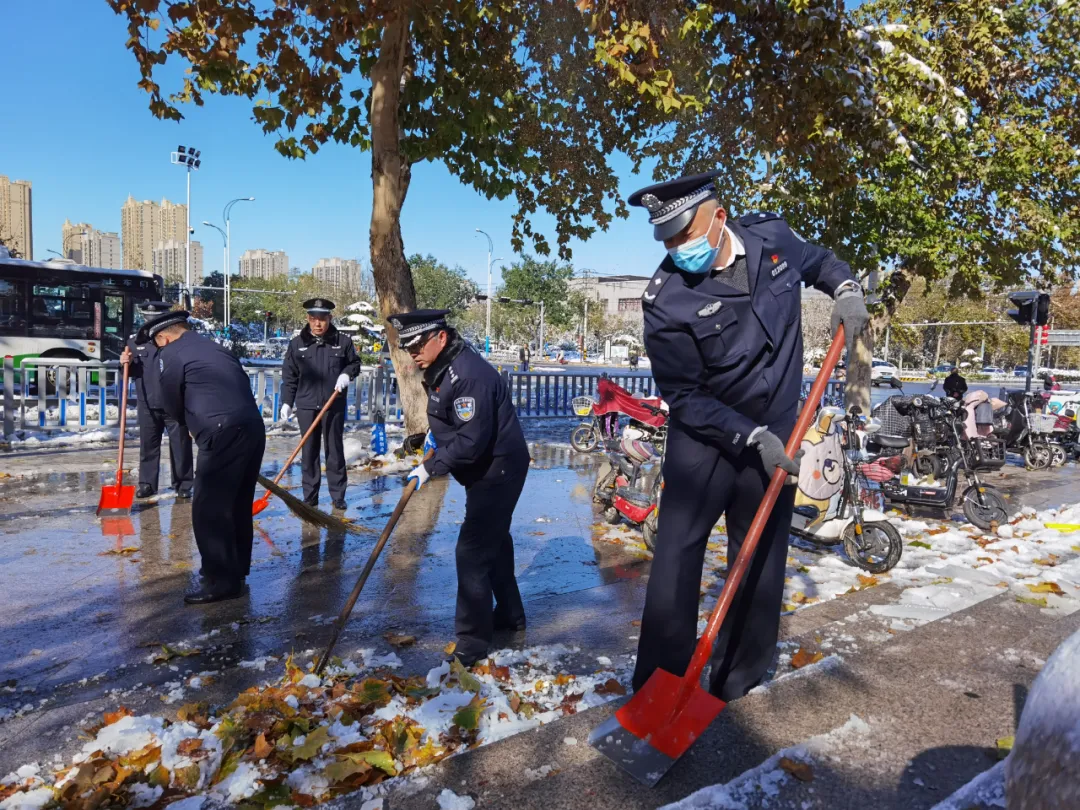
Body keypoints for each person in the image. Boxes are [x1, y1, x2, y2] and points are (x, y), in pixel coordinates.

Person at [627, 170, 869, 701]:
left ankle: (737, 677)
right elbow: (685, 395)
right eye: (666, 239)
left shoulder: (772, 239)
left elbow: (820, 262)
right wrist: (748, 433)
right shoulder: (665, 301)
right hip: (707, 441)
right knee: (676, 559)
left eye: (682, 234)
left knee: (760, 554)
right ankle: (658, 687)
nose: (674, 248)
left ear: (718, 217)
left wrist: (846, 290)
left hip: (779, 437)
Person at [388, 308, 531, 666]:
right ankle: (511, 615)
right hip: (486, 468)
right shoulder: (443, 367)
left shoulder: (468, 376)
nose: (412, 353)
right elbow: (453, 421)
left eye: (417, 345)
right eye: (407, 347)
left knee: (471, 554)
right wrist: (431, 439)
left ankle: (471, 645)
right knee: (493, 543)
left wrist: (430, 467)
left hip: (496, 470)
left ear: (440, 337)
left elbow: (471, 442)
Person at [139, 309, 266, 604]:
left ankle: (220, 581)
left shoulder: (171, 353)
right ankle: (235, 570)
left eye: (157, 344)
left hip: (220, 432)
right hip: (251, 427)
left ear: (164, 337)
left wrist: (190, 424)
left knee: (209, 508)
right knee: (236, 502)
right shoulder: (214, 347)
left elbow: (166, 401)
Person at [279, 299, 362, 510]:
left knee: (334, 450)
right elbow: (290, 376)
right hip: (306, 406)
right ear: (308, 319)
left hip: (333, 404)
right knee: (309, 451)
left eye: (323, 319)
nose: (318, 324)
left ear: (329, 319)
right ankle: (310, 496)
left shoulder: (342, 342)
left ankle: (338, 495)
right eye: (314, 319)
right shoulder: (297, 344)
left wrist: (346, 374)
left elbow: (354, 363)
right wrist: (287, 402)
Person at [121, 301, 194, 499]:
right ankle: (147, 484)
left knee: (180, 445)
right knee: (148, 446)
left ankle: (184, 483)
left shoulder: (175, 341)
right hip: (147, 402)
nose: (150, 321)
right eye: (148, 317)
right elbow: (131, 372)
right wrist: (124, 364)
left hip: (174, 402)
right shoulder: (134, 343)